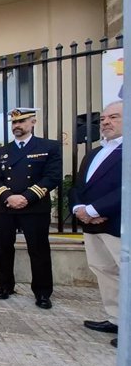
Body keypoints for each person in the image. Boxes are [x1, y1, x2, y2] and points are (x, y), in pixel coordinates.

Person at [0, 107, 62, 308]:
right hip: (6, 207)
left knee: (38, 250)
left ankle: (42, 292)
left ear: (33, 122)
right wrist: (9, 197)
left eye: (21, 122)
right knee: (3, 248)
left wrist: (26, 197)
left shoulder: (49, 146)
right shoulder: (2, 151)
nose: (17, 126)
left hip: (34, 207)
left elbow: (52, 177)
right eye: (14, 123)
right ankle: (5, 286)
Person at [70, 101, 122, 348]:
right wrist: (79, 209)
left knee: (125, 274)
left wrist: (94, 210)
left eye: (114, 117)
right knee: (104, 270)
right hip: (91, 224)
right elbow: (79, 185)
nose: (106, 122)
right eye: (103, 119)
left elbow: (125, 189)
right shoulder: (95, 152)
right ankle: (115, 318)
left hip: (117, 224)